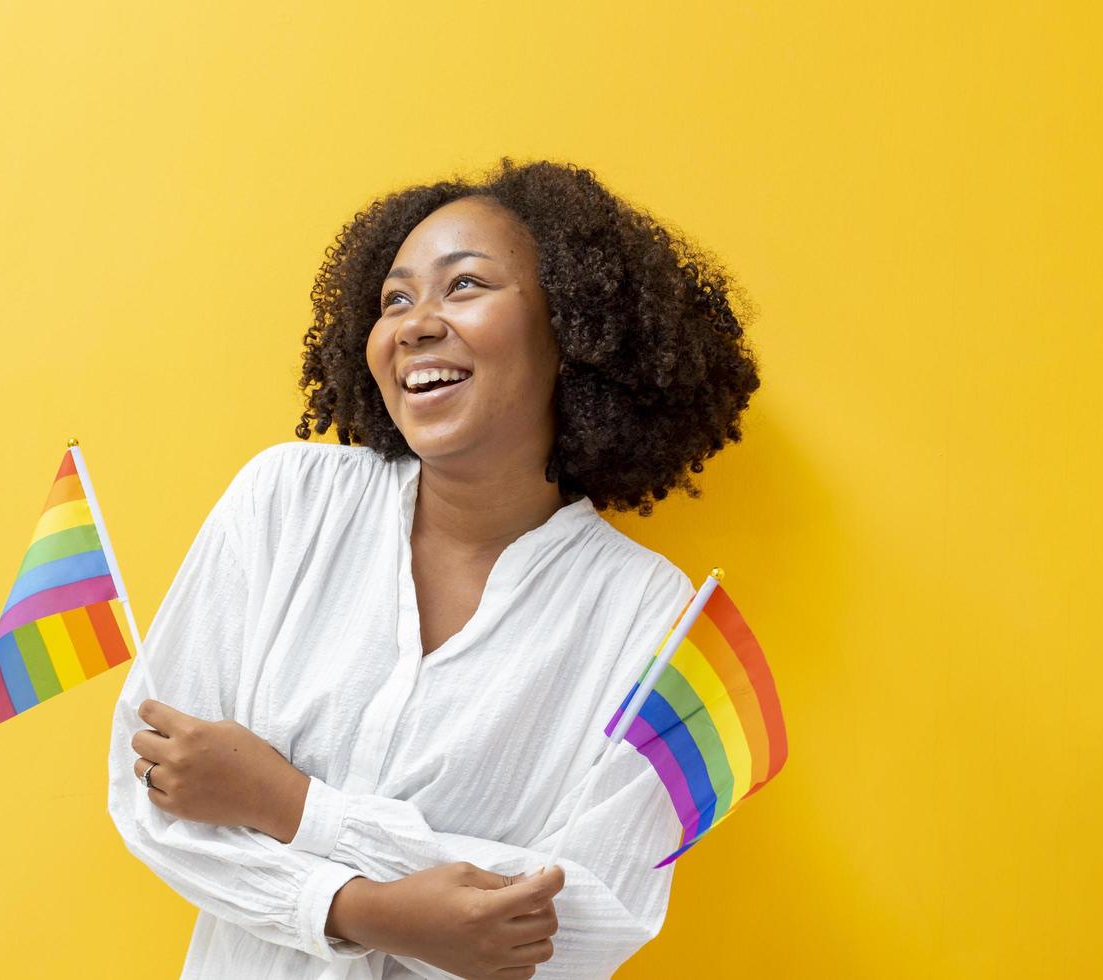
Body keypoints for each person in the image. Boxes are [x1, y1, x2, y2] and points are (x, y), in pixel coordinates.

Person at [107, 157, 761, 979]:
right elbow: (154, 791)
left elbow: (590, 917)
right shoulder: (285, 501)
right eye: (395, 298)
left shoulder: (649, 617)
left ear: (574, 328)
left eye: (465, 286)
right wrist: (369, 912)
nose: (415, 323)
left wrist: (289, 806)